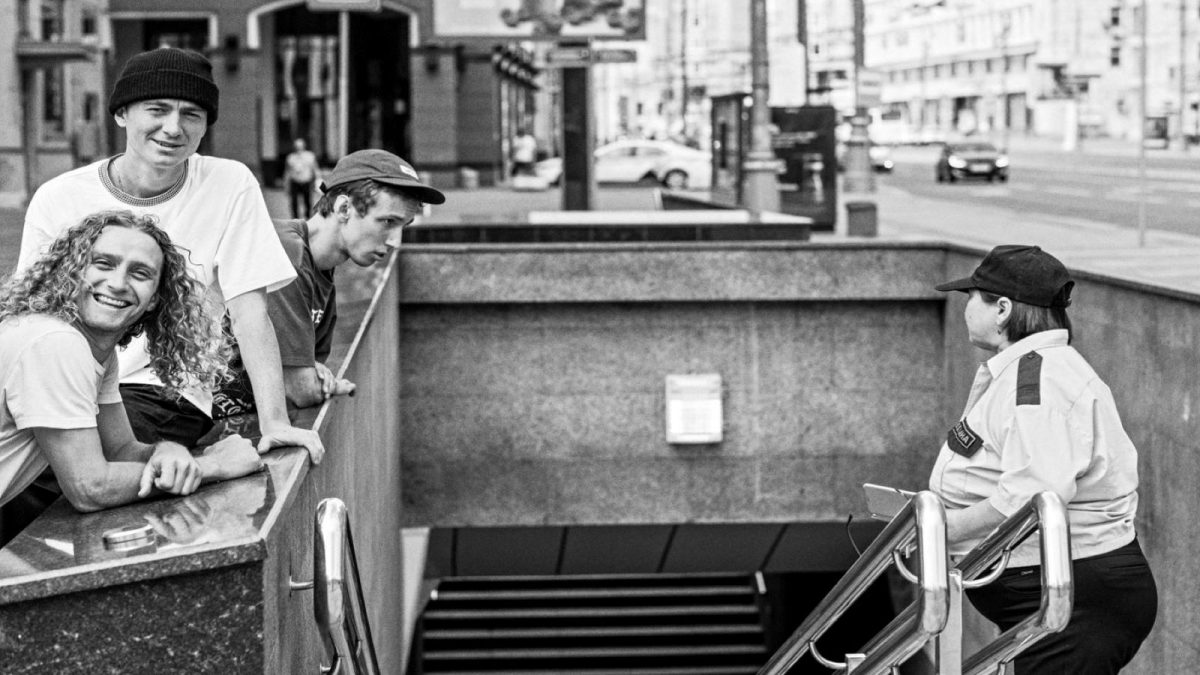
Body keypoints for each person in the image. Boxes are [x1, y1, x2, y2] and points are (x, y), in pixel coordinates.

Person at [17, 46, 322, 463]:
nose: (173, 128)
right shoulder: (59, 197)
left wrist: (274, 423)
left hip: (164, 387)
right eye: (157, 109)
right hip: (70, 380)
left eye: (191, 115)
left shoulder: (229, 184)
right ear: (122, 113)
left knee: (65, 467)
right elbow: (34, 311)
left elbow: (251, 311)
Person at [931, 245, 1157, 673]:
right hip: (1065, 592)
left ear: (1002, 309)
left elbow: (1032, 495)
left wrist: (938, 529)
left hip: (1074, 600)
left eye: (970, 297)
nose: (964, 309)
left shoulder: (1037, 382)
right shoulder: (1030, 370)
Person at [0, 211, 264, 543]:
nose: (118, 283)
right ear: (72, 271)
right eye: (103, 264)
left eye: (139, 273)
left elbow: (121, 449)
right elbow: (89, 487)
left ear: (155, 298)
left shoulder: (95, 350)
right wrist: (212, 467)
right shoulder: (55, 343)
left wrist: (168, 452)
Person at [212, 149, 445, 416]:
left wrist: (310, 374)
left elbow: (311, 369)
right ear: (343, 208)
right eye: (387, 222)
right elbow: (300, 388)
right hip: (186, 427)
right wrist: (310, 377)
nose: (394, 240)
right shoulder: (286, 253)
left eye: (403, 226)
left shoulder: (322, 270)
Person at [284, 138, 321, 219]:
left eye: (300, 146)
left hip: (306, 182)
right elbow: (287, 172)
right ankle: (295, 219)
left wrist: (318, 181)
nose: (299, 148)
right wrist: (286, 185)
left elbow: (315, 169)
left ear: (304, 146)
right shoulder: (290, 157)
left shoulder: (310, 156)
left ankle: (307, 217)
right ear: (294, 147)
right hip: (295, 182)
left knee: (307, 201)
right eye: (297, 146)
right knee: (294, 202)